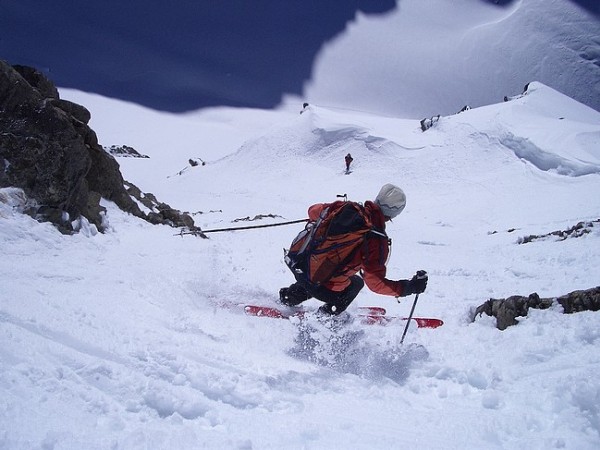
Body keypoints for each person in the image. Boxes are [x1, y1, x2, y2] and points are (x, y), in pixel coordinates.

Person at [279, 184, 428, 316]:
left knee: (323, 270)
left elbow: (312, 211)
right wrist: (408, 287)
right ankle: (325, 317)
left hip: (299, 264)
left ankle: (290, 296)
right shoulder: (376, 239)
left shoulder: (344, 207)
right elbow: (375, 284)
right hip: (318, 284)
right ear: (396, 213)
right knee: (356, 283)